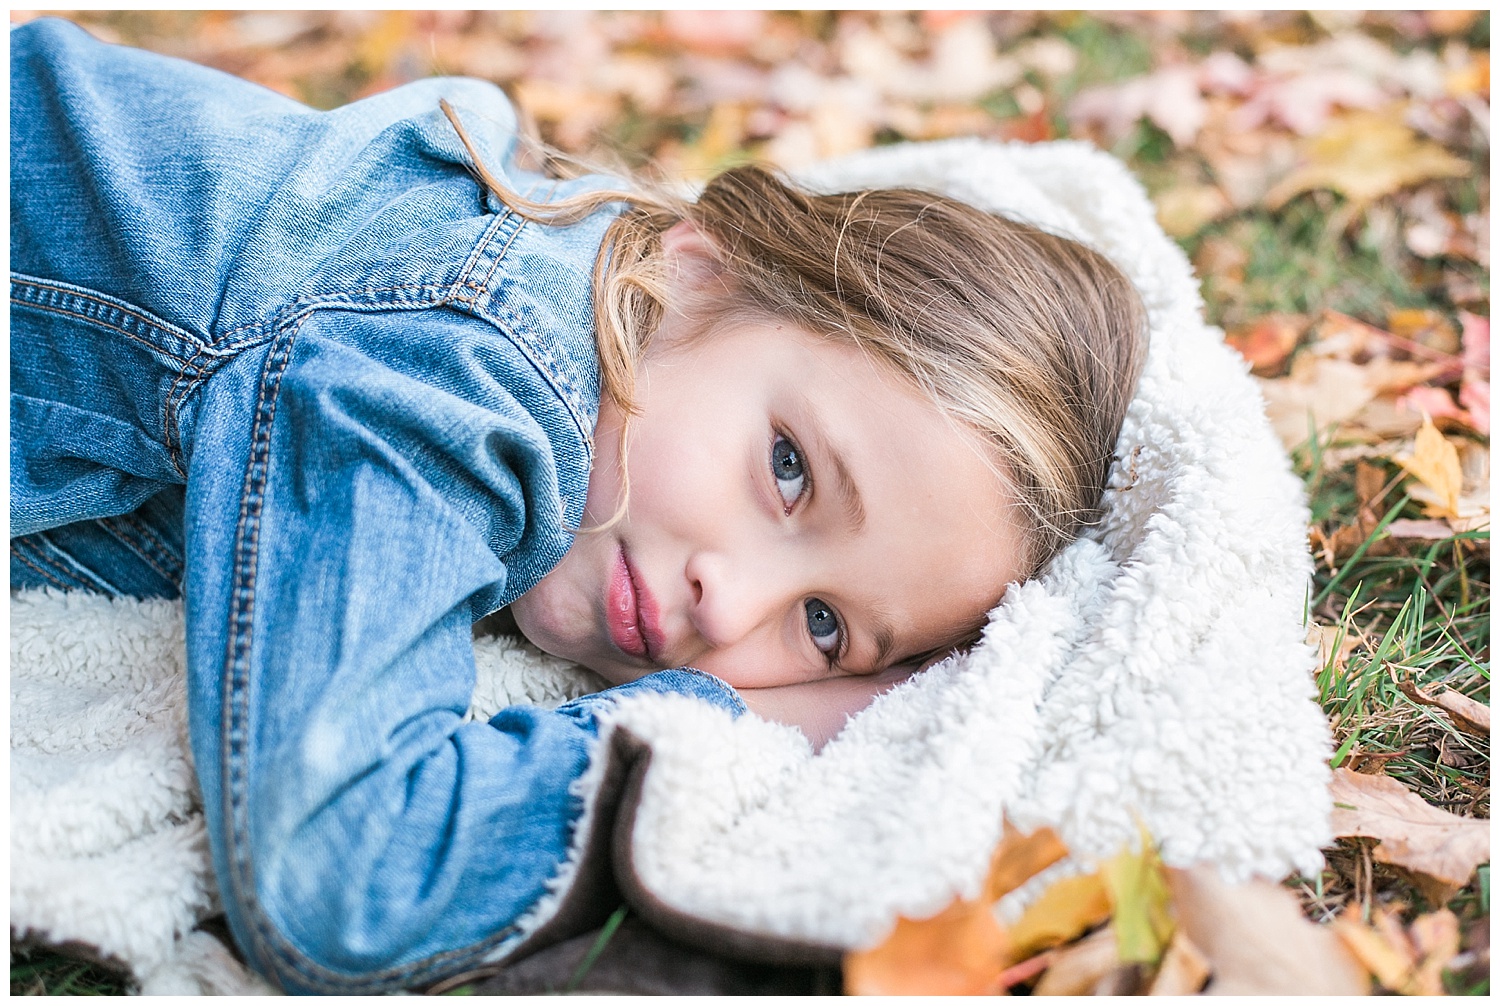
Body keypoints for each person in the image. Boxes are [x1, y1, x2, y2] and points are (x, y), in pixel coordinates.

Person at [9, 17, 1147, 994]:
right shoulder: (473, 376)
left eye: (825, 629)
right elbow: (340, 871)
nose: (730, 602)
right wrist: (741, 717)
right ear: (704, 273)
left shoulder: (601, 381)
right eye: (791, 469)